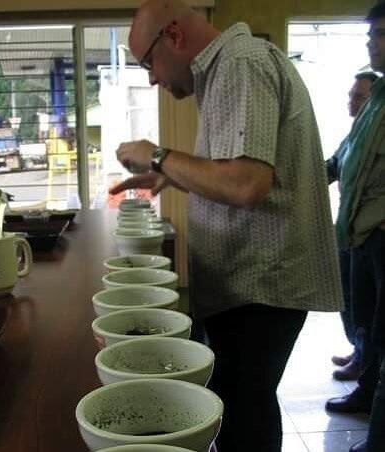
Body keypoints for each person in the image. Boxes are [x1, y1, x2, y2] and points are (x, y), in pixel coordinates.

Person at [109, 1, 343, 451]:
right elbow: (232, 170)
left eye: (148, 63)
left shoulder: (241, 63)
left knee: (244, 412)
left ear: (172, 35)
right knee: (240, 404)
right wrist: (169, 174)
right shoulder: (224, 70)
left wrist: (158, 155)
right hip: (249, 282)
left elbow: (245, 184)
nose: (153, 78)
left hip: (262, 285)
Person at [326, 4, 385, 452]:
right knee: (362, 318)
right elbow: (341, 164)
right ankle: (366, 393)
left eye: (380, 34)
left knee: (380, 331)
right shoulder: (375, 107)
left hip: (381, 234)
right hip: (362, 233)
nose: (372, 42)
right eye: (369, 35)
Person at [326, 71, 378, 382]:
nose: (352, 101)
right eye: (351, 95)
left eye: (359, 97)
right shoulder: (354, 134)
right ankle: (359, 351)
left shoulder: (374, 134)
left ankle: (365, 362)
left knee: (364, 305)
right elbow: (332, 166)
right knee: (348, 298)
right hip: (348, 229)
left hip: (368, 233)